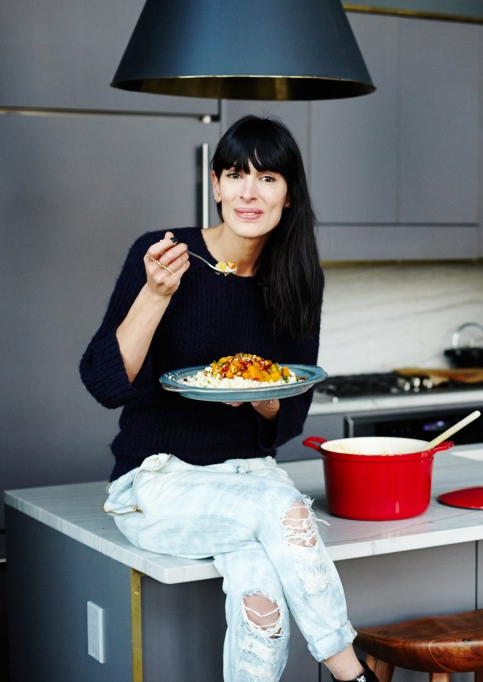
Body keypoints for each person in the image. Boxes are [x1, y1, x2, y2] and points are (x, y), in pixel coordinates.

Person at [80, 115, 378, 682]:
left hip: (248, 475)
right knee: (285, 512)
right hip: (157, 479)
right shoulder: (164, 255)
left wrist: (263, 401)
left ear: (289, 195)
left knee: (260, 594)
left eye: (267, 178)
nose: (249, 192)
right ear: (214, 184)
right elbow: (102, 382)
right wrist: (154, 295)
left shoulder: (298, 278)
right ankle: (351, 672)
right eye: (235, 174)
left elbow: (288, 414)